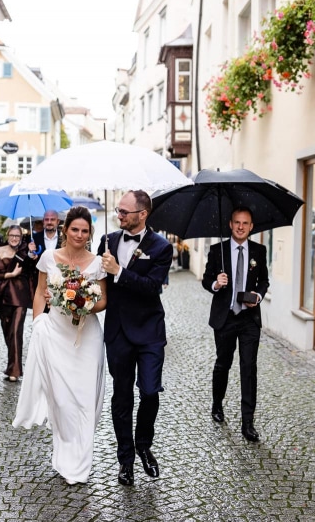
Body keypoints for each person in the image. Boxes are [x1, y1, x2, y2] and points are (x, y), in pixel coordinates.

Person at [13, 206, 108, 486]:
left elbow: (103, 301)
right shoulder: (48, 257)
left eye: (85, 230)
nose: (79, 235)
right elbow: (39, 295)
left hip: (86, 337)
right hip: (55, 334)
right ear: (65, 230)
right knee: (62, 400)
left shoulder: (98, 263)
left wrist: (83, 303)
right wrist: (37, 325)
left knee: (85, 398)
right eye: (75, 229)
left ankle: (82, 459)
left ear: (90, 233)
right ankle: (65, 453)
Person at [97, 190, 172, 487]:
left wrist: (119, 271)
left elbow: (153, 286)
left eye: (125, 212)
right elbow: (97, 279)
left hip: (149, 330)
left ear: (143, 214)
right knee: (122, 397)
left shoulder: (162, 247)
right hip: (118, 332)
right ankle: (125, 460)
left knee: (150, 392)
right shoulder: (108, 240)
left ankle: (144, 444)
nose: (120, 215)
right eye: (118, 210)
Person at [201, 207, 270, 442]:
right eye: (237, 222)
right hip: (225, 316)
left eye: (246, 223)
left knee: (249, 368)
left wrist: (258, 296)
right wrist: (216, 284)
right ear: (230, 224)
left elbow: (264, 281)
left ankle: (247, 423)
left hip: (249, 318)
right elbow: (206, 280)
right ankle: (217, 404)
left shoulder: (259, 251)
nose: (241, 227)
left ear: (252, 227)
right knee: (223, 363)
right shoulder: (217, 250)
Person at [0, 226, 34, 382]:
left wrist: (31, 256)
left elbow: (30, 270)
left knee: (16, 331)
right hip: (3, 297)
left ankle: (15, 370)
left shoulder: (25, 250)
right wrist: (11, 274)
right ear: (7, 236)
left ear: (21, 237)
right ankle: (12, 364)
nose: (15, 238)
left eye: (18, 236)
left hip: (20, 296)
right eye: (12, 235)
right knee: (7, 332)